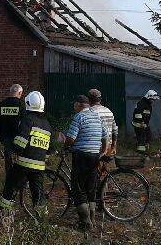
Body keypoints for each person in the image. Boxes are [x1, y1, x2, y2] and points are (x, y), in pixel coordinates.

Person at [0, 91, 52, 217]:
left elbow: (20, 142)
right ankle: (42, 220)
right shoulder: (47, 124)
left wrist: (14, 150)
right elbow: (48, 149)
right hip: (39, 167)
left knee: (10, 185)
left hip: (24, 164)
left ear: (28, 104)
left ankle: (2, 214)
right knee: (37, 193)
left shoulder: (28, 120)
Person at [64, 95, 109, 232]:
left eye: (74, 104)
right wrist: (103, 151)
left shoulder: (79, 117)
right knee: (90, 188)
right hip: (94, 156)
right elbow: (105, 136)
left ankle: (85, 222)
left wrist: (65, 147)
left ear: (78, 105)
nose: (74, 107)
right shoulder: (97, 117)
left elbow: (71, 139)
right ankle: (92, 219)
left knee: (78, 188)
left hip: (81, 156)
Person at [0, 84, 25, 172]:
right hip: (19, 140)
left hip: (6, 139)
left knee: (8, 163)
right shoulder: (22, 105)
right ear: (19, 93)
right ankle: (19, 182)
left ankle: (9, 182)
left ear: (10, 92)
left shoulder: (2, 104)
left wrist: (1, 137)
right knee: (20, 163)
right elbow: (25, 123)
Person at [87, 89, 118, 156]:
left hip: (95, 148)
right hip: (108, 147)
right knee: (104, 166)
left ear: (88, 100)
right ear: (100, 99)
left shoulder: (90, 112)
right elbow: (114, 131)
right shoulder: (108, 111)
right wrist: (114, 147)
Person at [132, 90, 159, 155]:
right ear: (148, 97)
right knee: (142, 138)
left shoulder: (148, 104)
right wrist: (141, 122)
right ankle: (141, 153)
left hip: (144, 124)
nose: (153, 101)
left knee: (148, 136)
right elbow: (137, 114)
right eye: (152, 99)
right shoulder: (142, 103)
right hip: (139, 124)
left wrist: (145, 123)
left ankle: (144, 148)